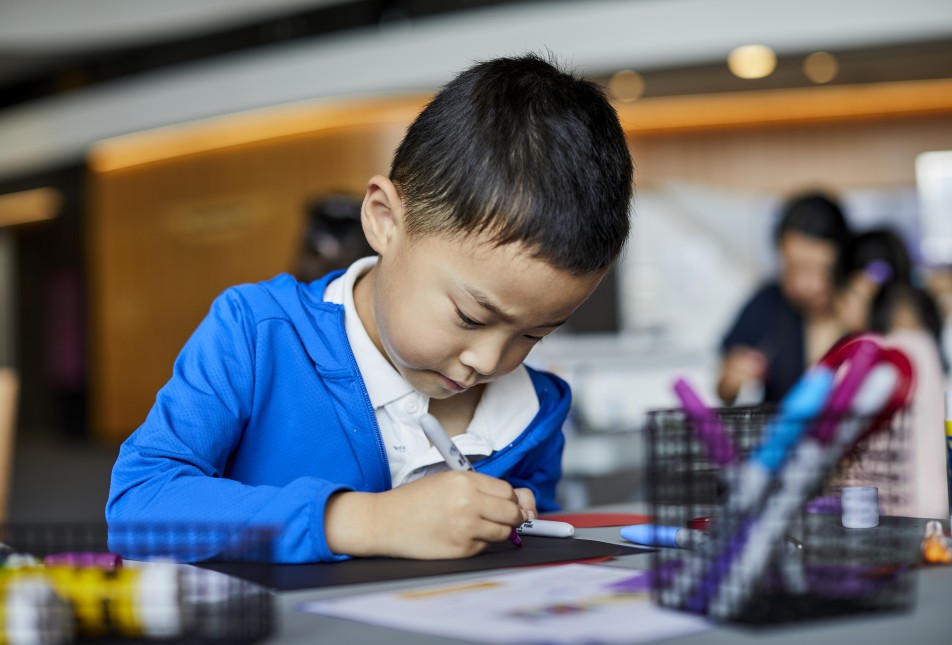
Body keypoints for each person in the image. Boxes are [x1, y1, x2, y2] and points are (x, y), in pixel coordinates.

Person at [105, 54, 634, 563]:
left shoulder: (534, 410)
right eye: (471, 317)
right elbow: (139, 506)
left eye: (534, 335)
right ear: (384, 221)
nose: (490, 362)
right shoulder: (256, 333)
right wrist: (369, 522)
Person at [830, 228, 949, 519]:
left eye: (840, 295)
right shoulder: (924, 345)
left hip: (877, 524)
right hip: (933, 521)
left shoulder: (863, 360)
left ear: (861, 287)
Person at [717, 191, 852, 405]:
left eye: (820, 269)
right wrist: (730, 378)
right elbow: (724, 387)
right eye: (793, 268)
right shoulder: (766, 302)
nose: (804, 284)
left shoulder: (862, 307)